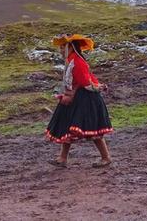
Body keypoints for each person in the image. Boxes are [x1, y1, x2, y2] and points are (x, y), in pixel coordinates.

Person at [45, 33, 113, 168]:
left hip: (85, 99)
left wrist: (97, 87)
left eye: (63, 46)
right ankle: (62, 158)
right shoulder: (72, 61)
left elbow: (86, 82)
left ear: (70, 47)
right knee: (67, 127)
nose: (60, 50)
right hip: (74, 98)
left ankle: (106, 157)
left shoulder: (77, 62)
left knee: (93, 128)